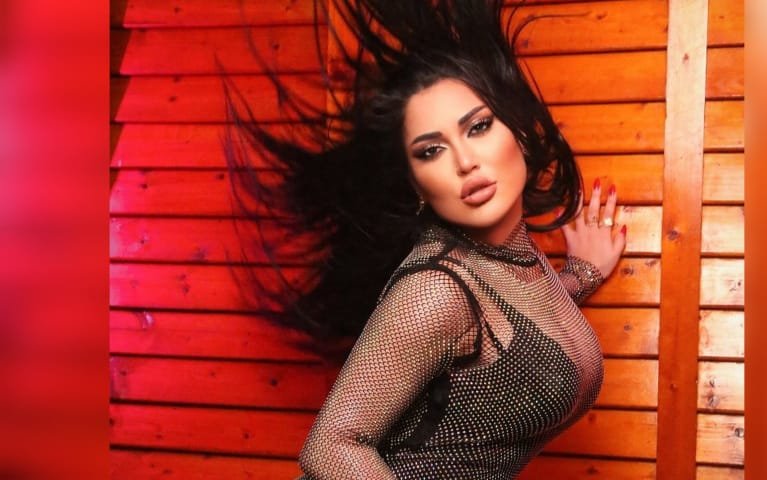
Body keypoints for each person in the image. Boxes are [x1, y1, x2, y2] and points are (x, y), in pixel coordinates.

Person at [222, 1, 626, 478]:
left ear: (518, 131)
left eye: (478, 127)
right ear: (416, 183)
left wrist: (580, 275)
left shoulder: (511, 261)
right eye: (431, 151)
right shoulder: (437, 289)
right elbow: (330, 445)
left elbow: (511, 328)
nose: (465, 162)